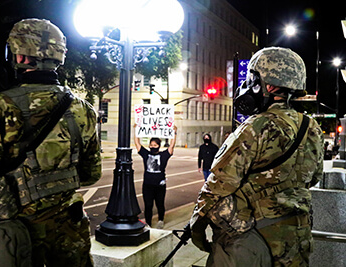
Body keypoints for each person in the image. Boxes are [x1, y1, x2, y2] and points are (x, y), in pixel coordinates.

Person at [0, 18, 101, 267]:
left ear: (19, 57)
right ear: (58, 57)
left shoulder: (0, 106)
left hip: (20, 233)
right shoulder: (83, 109)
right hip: (70, 230)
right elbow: (91, 174)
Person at [189, 47, 324, 267]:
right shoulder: (312, 127)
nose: (249, 86)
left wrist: (196, 227)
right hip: (296, 237)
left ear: (269, 85)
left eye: (253, 79)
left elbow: (219, 185)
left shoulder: (256, 126)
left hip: (254, 240)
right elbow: (314, 177)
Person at [134, 125, 177, 229]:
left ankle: (160, 220)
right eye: (151, 145)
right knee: (148, 205)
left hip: (160, 185)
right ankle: (148, 223)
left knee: (160, 204)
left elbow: (171, 146)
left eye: (155, 145)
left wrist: (174, 133)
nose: (152, 147)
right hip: (147, 185)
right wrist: (136, 130)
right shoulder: (146, 154)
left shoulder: (164, 155)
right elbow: (137, 143)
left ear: (159, 145)